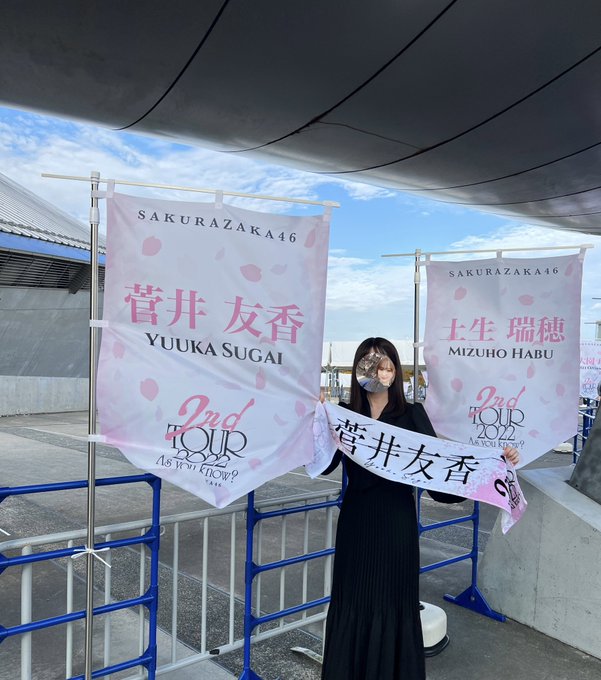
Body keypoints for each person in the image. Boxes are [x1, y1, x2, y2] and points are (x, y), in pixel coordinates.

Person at [320, 337, 519, 680]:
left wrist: (491, 467)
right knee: (353, 600)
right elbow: (325, 465)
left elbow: (440, 477)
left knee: (394, 604)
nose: (377, 372)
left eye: (385, 365)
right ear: (357, 370)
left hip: (397, 524)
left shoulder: (412, 414)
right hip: (356, 523)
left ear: (395, 371)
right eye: (368, 364)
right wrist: (318, 420)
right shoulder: (345, 414)